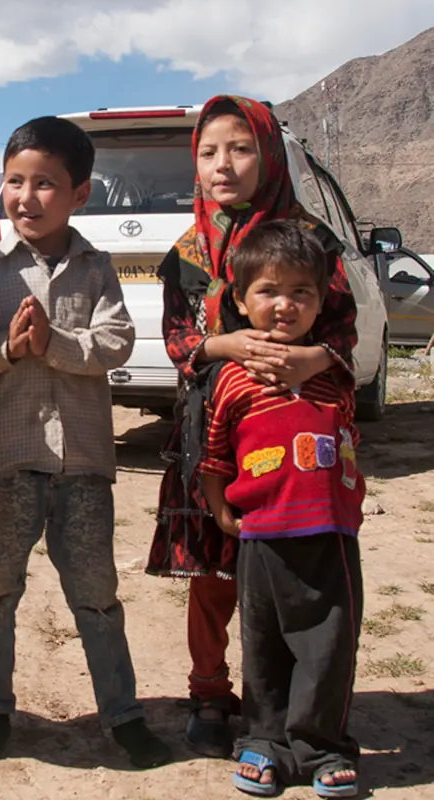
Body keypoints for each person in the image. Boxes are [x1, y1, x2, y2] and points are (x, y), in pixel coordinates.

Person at [143, 96, 357, 759]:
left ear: (267, 154)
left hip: (298, 438)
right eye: (208, 153)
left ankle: (293, 706)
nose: (222, 165)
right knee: (213, 570)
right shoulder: (187, 252)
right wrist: (227, 347)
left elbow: (344, 331)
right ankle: (209, 694)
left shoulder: (312, 242)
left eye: (238, 149)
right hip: (214, 427)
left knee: (300, 570)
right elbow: (179, 341)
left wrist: (312, 357)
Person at [0, 116, 172, 770]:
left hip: (82, 466)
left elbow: (116, 343)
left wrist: (56, 344)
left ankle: (124, 717)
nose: (26, 196)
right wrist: (8, 348)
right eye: (15, 181)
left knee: (97, 594)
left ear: (79, 193)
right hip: (6, 463)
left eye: (45, 183)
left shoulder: (95, 268)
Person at [197, 220, 362, 798]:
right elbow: (216, 451)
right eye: (269, 291)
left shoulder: (332, 376)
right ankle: (263, 742)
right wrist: (221, 508)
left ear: (321, 303)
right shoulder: (235, 380)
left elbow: (347, 442)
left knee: (329, 641)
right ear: (240, 301)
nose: (285, 305)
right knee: (263, 641)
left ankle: (321, 748)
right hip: (262, 532)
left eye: (301, 292)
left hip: (330, 531)